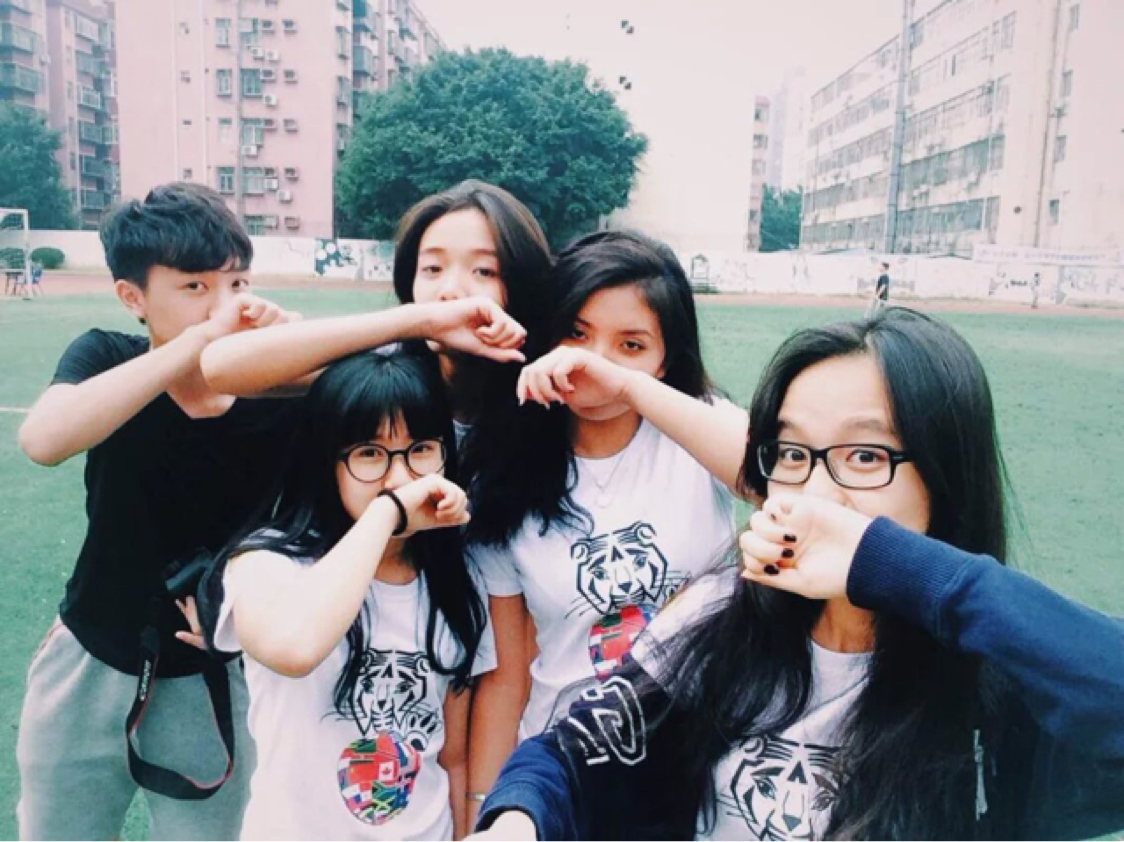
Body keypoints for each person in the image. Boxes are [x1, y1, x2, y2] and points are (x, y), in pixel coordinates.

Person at [473, 307, 1124, 840]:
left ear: (946, 475)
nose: (813, 493)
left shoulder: (1002, 674)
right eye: (791, 452)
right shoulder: (720, 617)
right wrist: (515, 823)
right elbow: (573, 753)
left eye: (864, 456)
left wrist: (892, 566)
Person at [15, 183, 302, 839]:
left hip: (210, 673)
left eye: (237, 282)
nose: (226, 304)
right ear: (133, 297)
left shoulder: (280, 394)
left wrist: (289, 344)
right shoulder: (106, 357)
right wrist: (197, 345)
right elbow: (43, 440)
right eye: (196, 286)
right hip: (89, 658)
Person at [463, 231, 743, 822]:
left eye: (631, 344)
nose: (592, 362)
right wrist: (481, 805)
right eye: (577, 334)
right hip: (567, 769)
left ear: (666, 359)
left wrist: (627, 386)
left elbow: (774, 478)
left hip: (694, 762)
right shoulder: (507, 472)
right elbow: (508, 679)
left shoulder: (699, 430)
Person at [200, 350, 494, 840]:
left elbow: (453, 756)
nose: (400, 477)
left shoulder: (457, 579)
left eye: (421, 449)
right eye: (369, 454)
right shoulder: (266, 562)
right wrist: (386, 513)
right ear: (325, 462)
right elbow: (294, 648)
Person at [201, 179, 552, 439]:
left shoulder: (553, 381)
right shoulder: (387, 368)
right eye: (432, 269)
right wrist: (417, 320)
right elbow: (220, 368)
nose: (450, 291)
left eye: (485, 271)